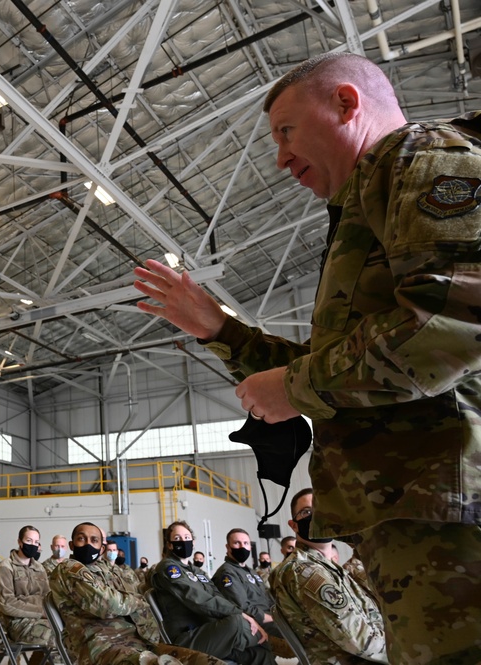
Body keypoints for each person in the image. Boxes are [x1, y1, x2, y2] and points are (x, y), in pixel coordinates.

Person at [134, 52, 481, 663]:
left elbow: (444, 327)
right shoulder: (363, 207)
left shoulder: (421, 160)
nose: (281, 158)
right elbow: (360, 362)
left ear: (347, 103)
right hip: (421, 506)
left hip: (451, 504)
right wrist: (222, 331)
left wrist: (294, 386)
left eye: (287, 131)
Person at [47, 521, 222, 665]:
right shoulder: (69, 569)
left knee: (206, 662)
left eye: (94, 540)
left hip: (138, 641)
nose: (87, 544)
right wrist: (136, 602)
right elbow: (108, 605)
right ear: (72, 545)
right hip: (101, 646)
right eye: (81, 539)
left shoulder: (108, 570)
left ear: (101, 548)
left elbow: (135, 592)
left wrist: (131, 602)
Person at [269, 489, 387, 664]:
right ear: (294, 525)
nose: (316, 516)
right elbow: (361, 641)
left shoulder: (327, 566)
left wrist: (352, 535)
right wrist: (405, 648)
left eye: (321, 510)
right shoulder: (305, 571)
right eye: (306, 512)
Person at [151, 521, 273, 665]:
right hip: (188, 637)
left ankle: (262, 638)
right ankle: (263, 635)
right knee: (237, 623)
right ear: (170, 544)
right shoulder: (168, 568)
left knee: (261, 654)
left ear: (193, 542)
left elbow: (217, 596)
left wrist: (244, 616)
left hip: (211, 631)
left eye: (186, 537)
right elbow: (197, 599)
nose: (183, 542)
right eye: (177, 538)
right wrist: (242, 615)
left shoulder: (197, 572)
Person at [214, 530, 291, 658]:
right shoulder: (227, 573)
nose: (242, 547)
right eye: (237, 543)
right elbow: (241, 606)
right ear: (228, 547)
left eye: (245, 543)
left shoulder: (252, 572)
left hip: (272, 618)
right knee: (304, 638)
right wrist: (274, 618)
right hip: (256, 624)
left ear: (250, 546)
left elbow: (268, 598)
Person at [0, 525, 53, 656]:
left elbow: (47, 597)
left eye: (36, 542)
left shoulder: (39, 568)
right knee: (63, 637)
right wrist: (40, 612)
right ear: (20, 542)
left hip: (42, 619)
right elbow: (7, 604)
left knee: (73, 629)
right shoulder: (6, 567)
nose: (33, 545)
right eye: (29, 541)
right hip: (18, 623)